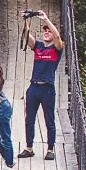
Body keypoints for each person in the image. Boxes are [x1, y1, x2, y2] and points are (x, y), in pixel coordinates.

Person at [20, 9, 64, 161]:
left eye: (48, 32)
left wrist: (46, 20)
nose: (46, 32)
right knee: (29, 119)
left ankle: (50, 149)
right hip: (34, 87)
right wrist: (26, 20)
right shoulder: (38, 46)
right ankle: (29, 147)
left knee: (49, 119)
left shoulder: (56, 49)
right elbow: (26, 37)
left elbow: (57, 36)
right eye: (44, 31)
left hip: (47, 89)